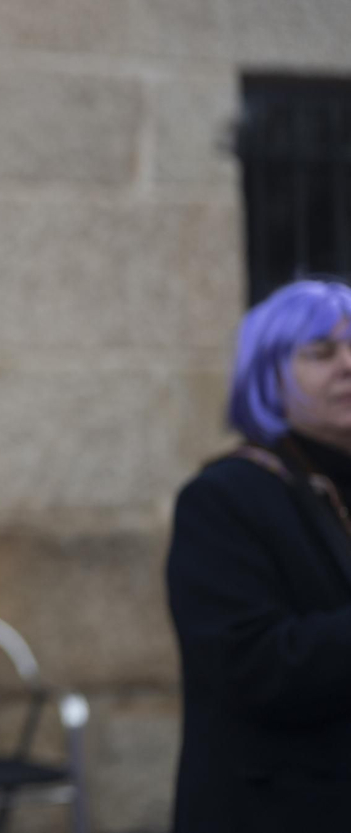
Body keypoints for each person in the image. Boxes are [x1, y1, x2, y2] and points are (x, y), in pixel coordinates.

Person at [166, 278, 351, 831]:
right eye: (321, 352)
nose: (347, 365)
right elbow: (249, 666)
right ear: (267, 376)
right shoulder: (223, 496)